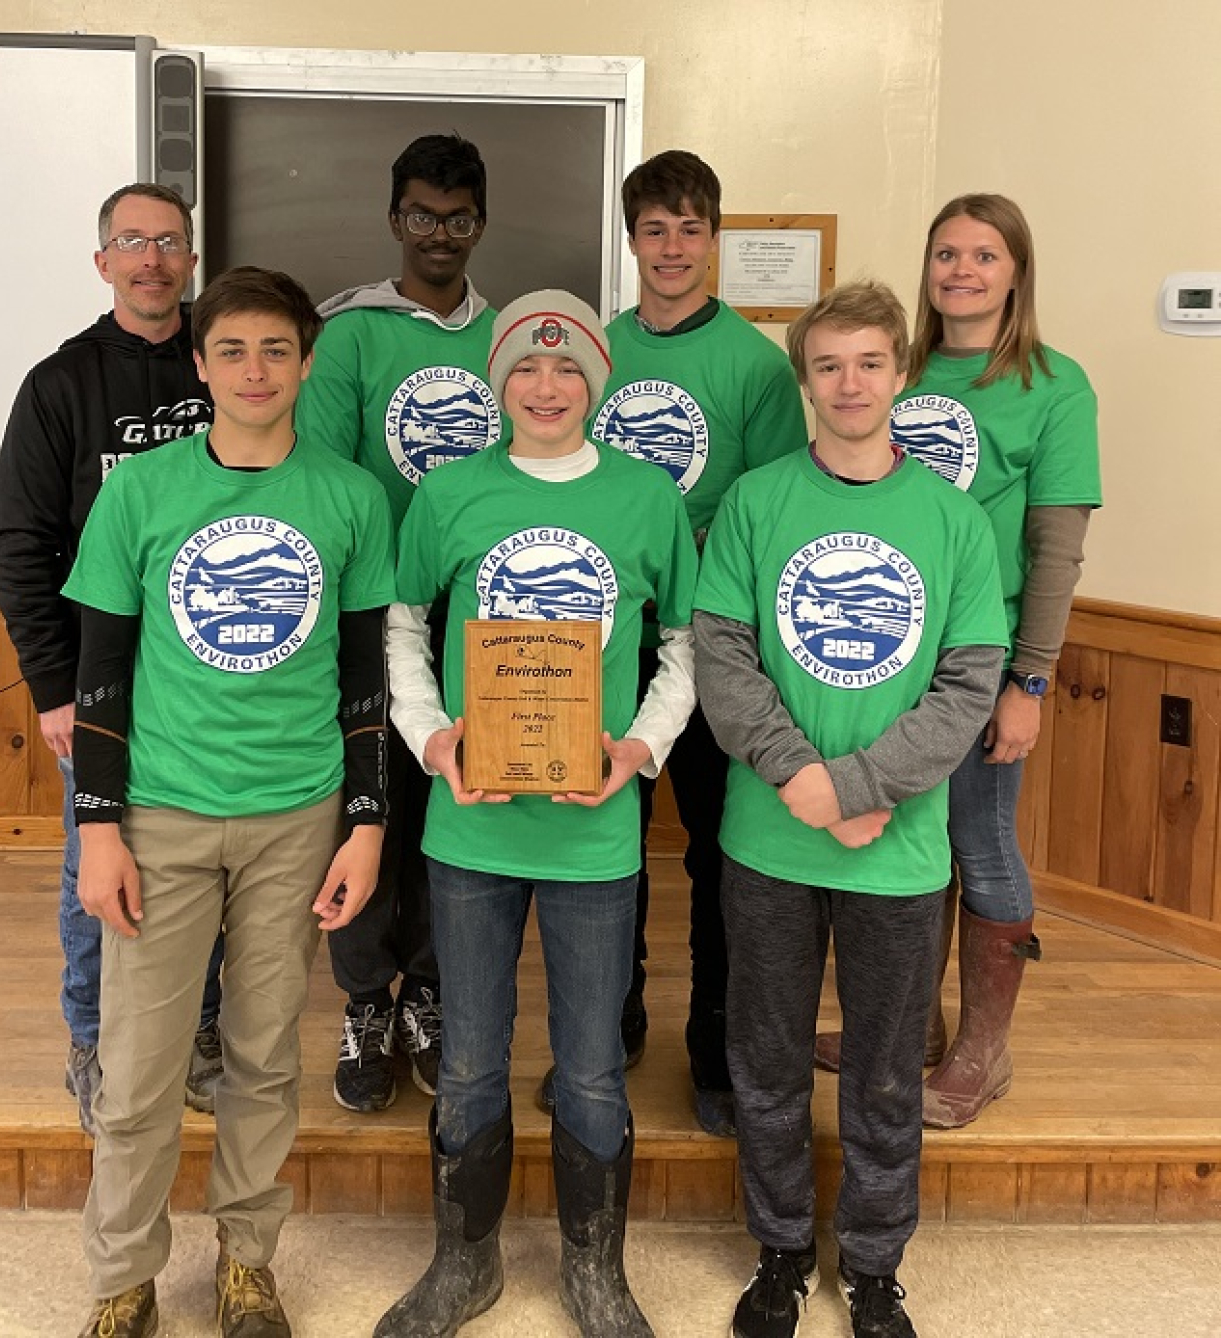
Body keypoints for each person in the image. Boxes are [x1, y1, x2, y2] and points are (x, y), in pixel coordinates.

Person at [65, 265, 395, 1338]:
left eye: (277, 350)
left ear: (306, 362)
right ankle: (124, 1273)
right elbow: (101, 671)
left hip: (296, 816)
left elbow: (363, 677)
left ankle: (247, 1259)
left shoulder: (348, 496)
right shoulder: (141, 492)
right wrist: (98, 827)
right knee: (141, 1064)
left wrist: (367, 820)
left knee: (262, 1055)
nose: (255, 371)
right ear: (199, 363)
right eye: (232, 350)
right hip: (158, 813)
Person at [374, 291, 698, 1338]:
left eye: (567, 371)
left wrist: (641, 747)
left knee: (594, 1063)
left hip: (595, 832)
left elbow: (688, 646)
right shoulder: (450, 493)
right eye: (525, 369)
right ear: (499, 382)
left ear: (594, 383)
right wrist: (429, 735)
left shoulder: (647, 499)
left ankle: (595, 1270)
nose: (547, 387)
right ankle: (462, 1264)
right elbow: (402, 625)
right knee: (469, 1057)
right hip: (470, 827)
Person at [694, 281, 1007, 1338]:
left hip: (899, 852)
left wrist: (860, 789)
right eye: (828, 365)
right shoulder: (754, 501)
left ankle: (874, 1264)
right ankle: (780, 1250)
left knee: (882, 1073)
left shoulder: (953, 521)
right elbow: (722, 655)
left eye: (870, 362)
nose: (850, 383)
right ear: (804, 379)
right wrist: (803, 781)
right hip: (770, 837)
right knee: (768, 1062)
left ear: (902, 372)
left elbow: (969, 685)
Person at [815, 196, 1102, 1128]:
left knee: (979, 841)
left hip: (983, 659)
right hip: (887, 645)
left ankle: (985, 1051)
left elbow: (1056, 547)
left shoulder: (1055, 387)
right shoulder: (897, 367)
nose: (962, 270)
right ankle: (911, 1030)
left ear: (1017, 270)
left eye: (985, 254)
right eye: (946, 253)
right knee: (916, 844)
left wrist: (1030, 680)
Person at [548, 149, 807, 1136]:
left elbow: (777, 508)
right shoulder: (593, 352)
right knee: (608, 843)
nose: (671, 247)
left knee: (716, 853)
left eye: (689, 229)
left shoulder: (752, 363)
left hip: (717, 650)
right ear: (631, 238)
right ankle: (605, 1032)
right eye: (653, 229)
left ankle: (716, 1051)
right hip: (609, 646)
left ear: (714, 239)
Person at [0, 183, 224, 1134]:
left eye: (169, 242)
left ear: (192, 259)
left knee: (205, 865)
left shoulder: (232, 365)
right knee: (97, 869)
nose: (153, 259)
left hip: (222, 678)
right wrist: (53, 689)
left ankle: (201, 1033)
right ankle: (91, 1040)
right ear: (104, 263)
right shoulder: (60, 383)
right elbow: (21, 544)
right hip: (103, 683)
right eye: (132, 242)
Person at [295, 133, 498, 1113]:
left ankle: (428, 989)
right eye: (423, 214)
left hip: (481, 621)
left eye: (459, 218)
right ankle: (364, 998)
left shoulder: (510, 341)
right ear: (394, 220)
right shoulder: (353, 337)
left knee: (443, 809)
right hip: (371, 613)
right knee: (365, 807)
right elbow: (328, 480)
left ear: (481, 225)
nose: (441, 234)